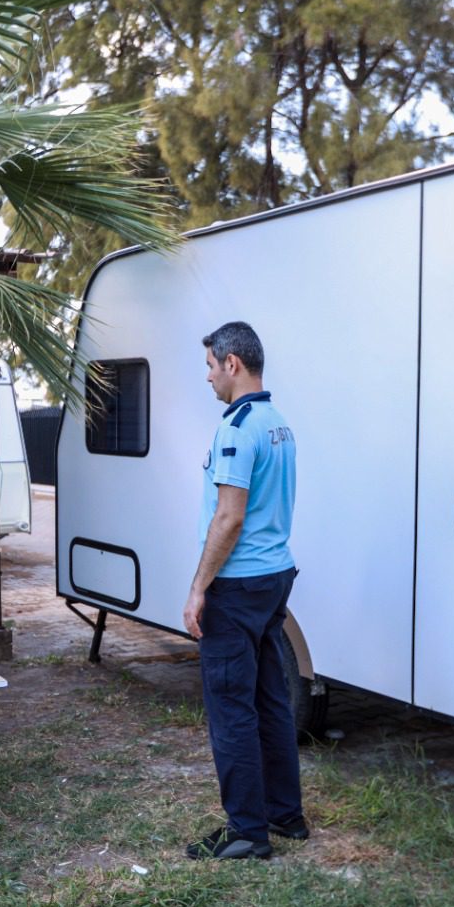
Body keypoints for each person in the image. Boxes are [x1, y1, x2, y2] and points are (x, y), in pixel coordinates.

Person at [181, 321, 308, 861]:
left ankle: (247, 832)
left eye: (211, 365)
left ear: (233, 364)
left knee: (232, 708)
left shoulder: (237, 428)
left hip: (238, 585)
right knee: (270, 701)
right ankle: (286, 815)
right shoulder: (277, 421)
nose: (208, 377)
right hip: (275, 576)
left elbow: (229, 519)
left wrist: (197, 589)